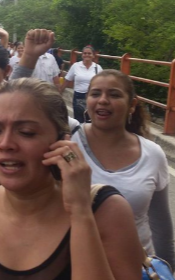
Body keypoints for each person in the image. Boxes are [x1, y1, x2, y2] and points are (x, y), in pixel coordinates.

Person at [0, 77, 142, 280]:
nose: (5, 144)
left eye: (26, 132)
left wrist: (80, 213)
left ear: (62, 142)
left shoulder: (106, 210)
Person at [72, 69, 174, 266]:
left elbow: (161, 225)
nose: (102, 100)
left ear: (132, 105)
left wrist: (167, 269)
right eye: (95, 94)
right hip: (76, 264)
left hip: (135, 267)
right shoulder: (68, 142)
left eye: (114, 94)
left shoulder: (152, 154)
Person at [59, 45, 102, 123]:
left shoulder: (98, 68)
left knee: (91, 119)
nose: (87, 55)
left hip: (92, 97)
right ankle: (79, 135)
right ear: (82, 55)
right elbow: (67, 80)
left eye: (89, 53)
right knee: (79, 121)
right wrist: (59, 93)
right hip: (78, 96)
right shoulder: (76, 66)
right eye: (84, 53)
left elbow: (102, 83)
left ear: (93, 55)